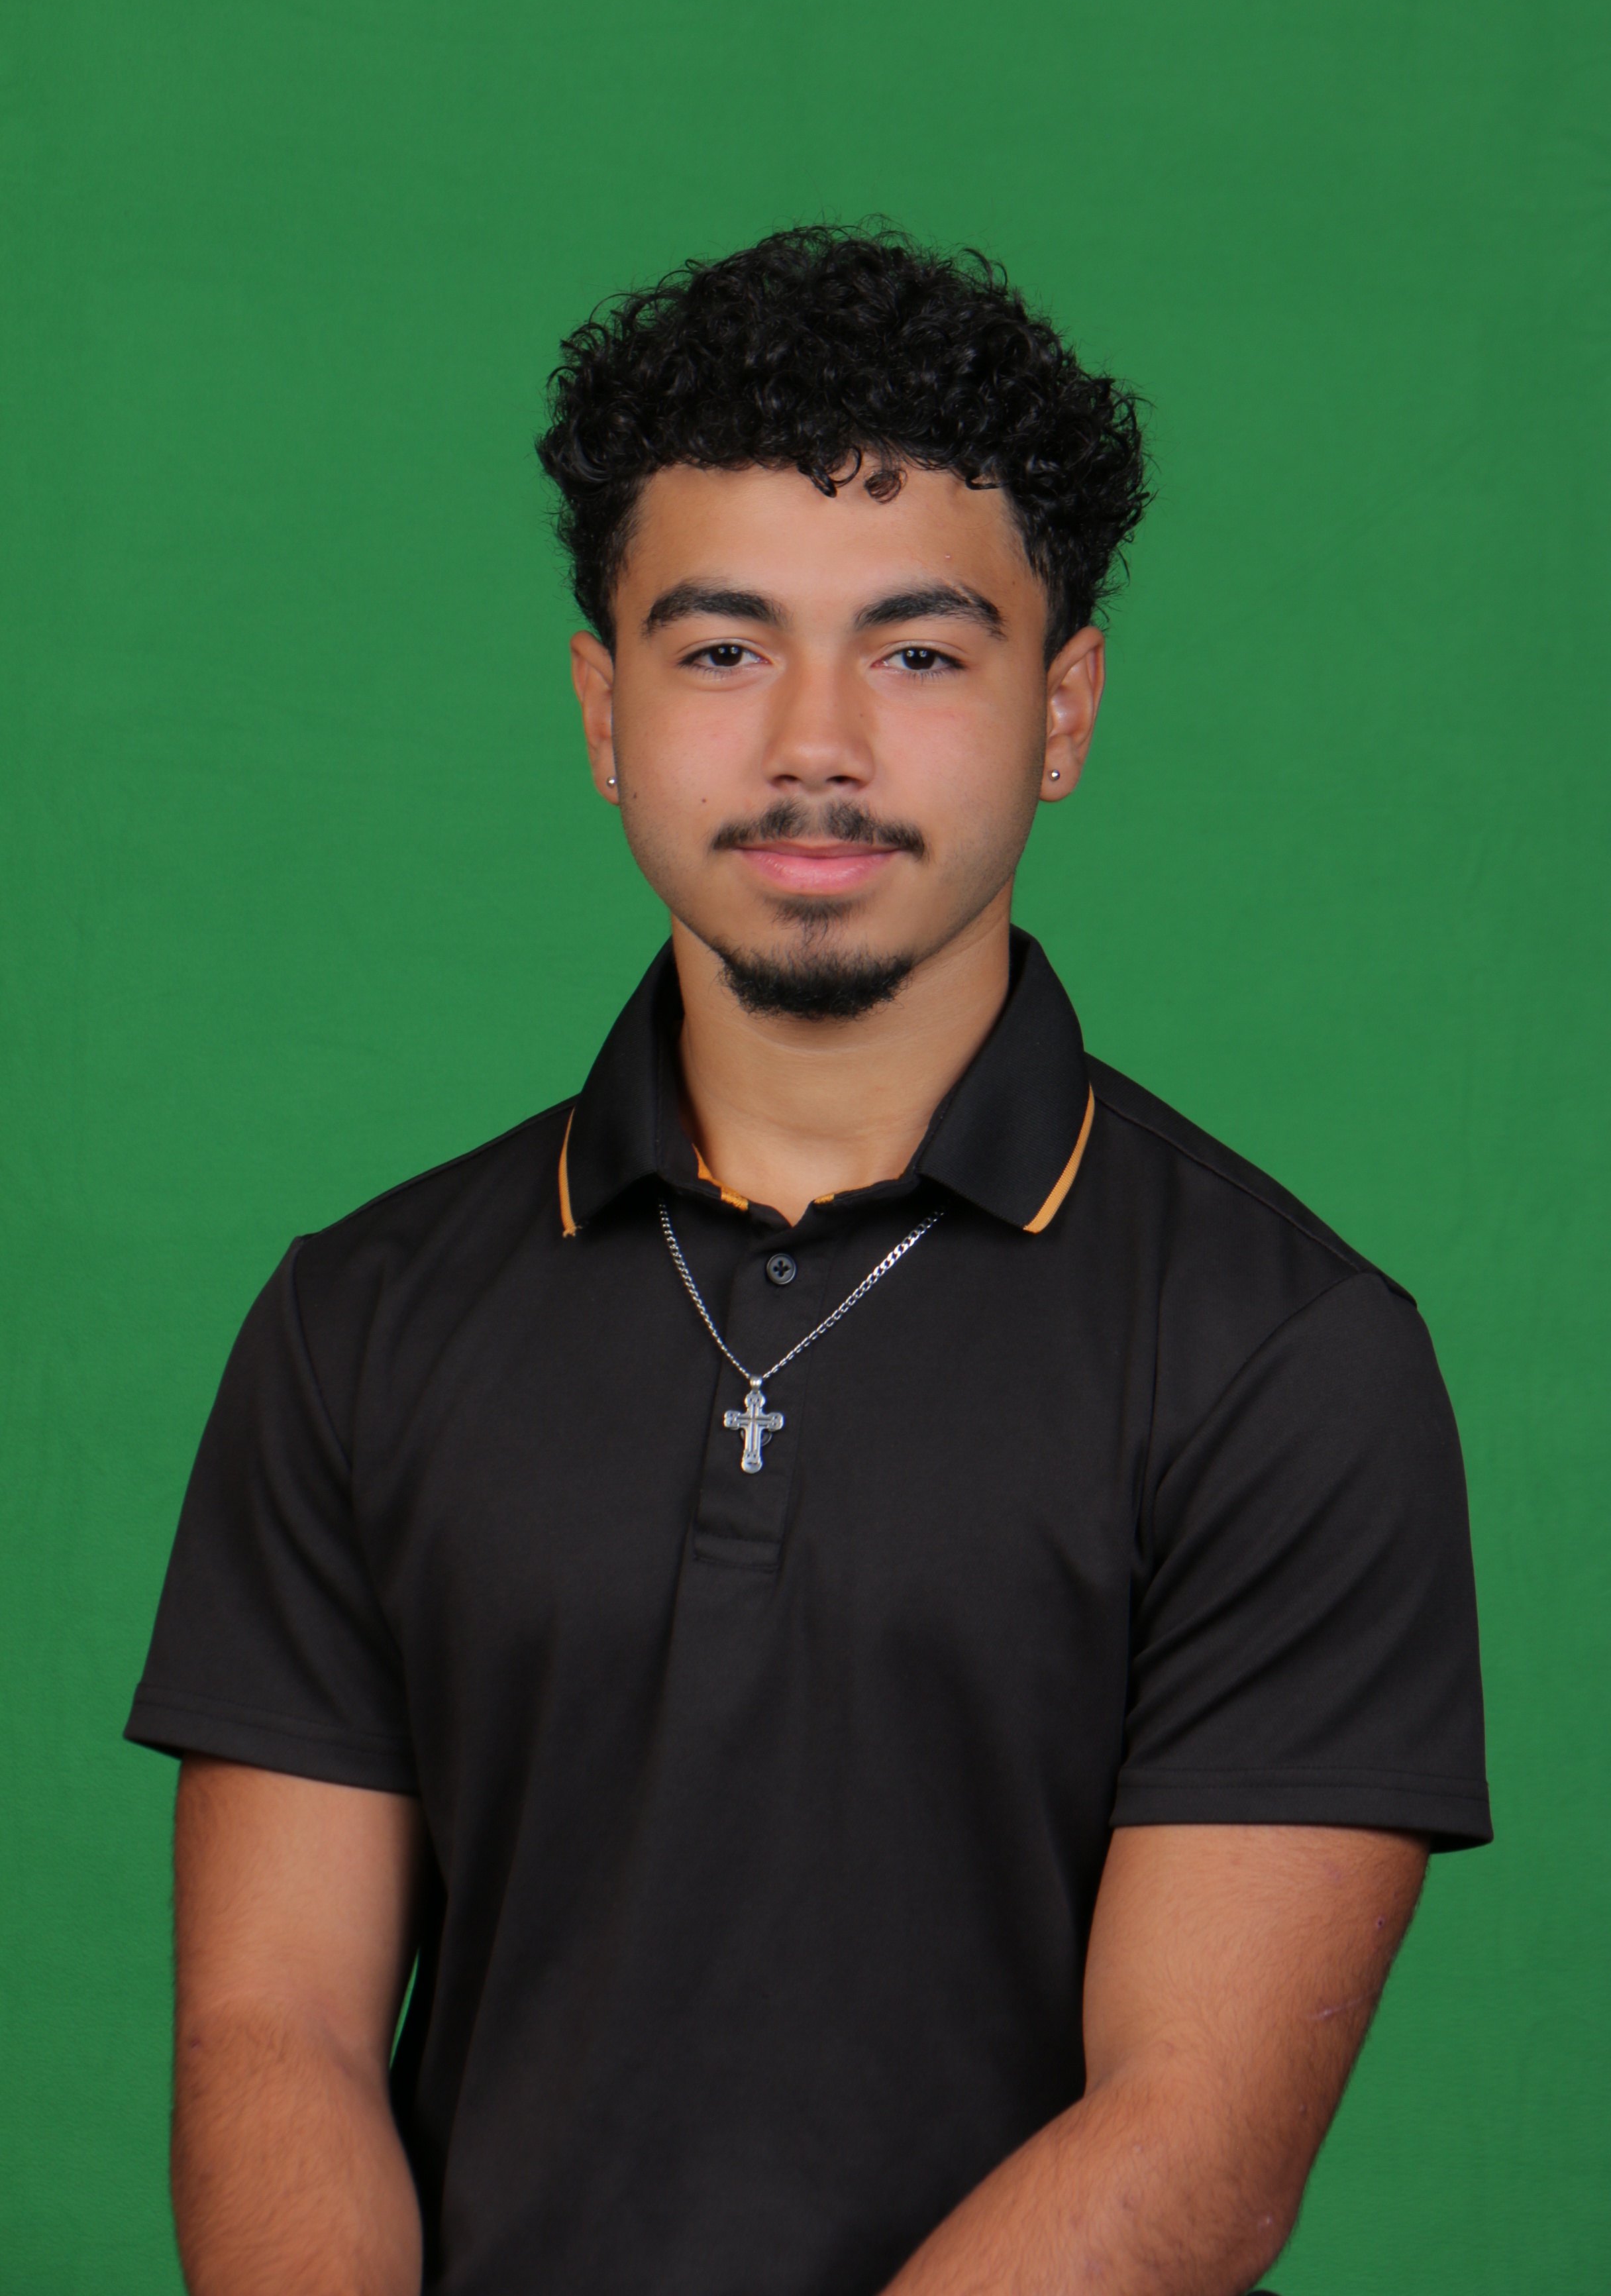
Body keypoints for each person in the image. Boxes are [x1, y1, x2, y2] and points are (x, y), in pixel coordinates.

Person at [127, 225, 1489, 2296]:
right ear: (604, 708)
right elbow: (272, 2033)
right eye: (723, 650)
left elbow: (1194, 2148)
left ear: (1063, 709)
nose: (818, 743)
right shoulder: (360, 1321)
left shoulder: (1285, 1356)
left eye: (921, 655)